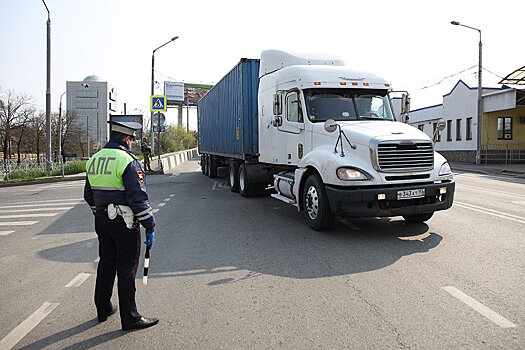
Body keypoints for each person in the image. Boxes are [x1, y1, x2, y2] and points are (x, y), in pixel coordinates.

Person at [84, 120, 158, 331]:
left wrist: (102, 212)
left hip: (102, 220)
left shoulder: (94, 159)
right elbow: (137, 198)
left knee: (106, 263)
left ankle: (103, 308)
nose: (132, 144)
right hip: (124, 222)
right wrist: (149, 225)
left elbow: (88, 194)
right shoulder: (127, 161)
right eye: (132, 140)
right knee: (126, 268)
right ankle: (130, 316)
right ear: (127, 138)